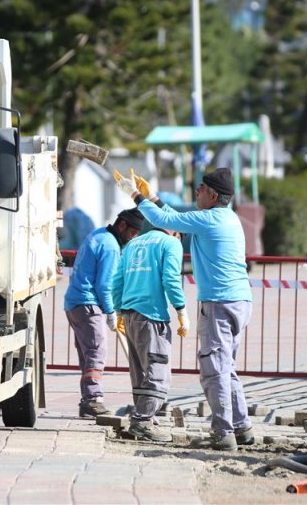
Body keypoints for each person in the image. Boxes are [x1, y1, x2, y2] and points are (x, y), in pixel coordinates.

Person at [115, 168, 253, 451]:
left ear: (213, 195)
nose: (196, 192)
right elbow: (174, 219)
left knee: (214, 369)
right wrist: (152, 197)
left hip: (218, 302)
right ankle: (242, 428)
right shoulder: (228, 217)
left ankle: (223, 433)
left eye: (200, 188)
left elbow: (166, 221)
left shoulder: (208, 218)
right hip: (240, 300)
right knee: (227, 368)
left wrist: (135, 195)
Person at [64, 207, 144, 418]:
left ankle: (87, 401)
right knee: (97, 352)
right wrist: (111, 313)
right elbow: (104, 285)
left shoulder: (98, 234)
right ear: (122, 225)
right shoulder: (110, 246)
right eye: (132, 233)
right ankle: (92, 400)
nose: (132, 237)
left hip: (75, 303)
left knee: (88, 354)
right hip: (89, 304)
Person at [112, 226, 189, 442]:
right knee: (157, 371)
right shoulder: (170, 243)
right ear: (174, 230)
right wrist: (181, 310)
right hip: (152, 315)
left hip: (130, 315)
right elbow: (171, 279)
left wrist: (119, 310)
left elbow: (117, 282)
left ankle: (145, 416)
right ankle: (143, 421)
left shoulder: (132, 244)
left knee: (139, 371)